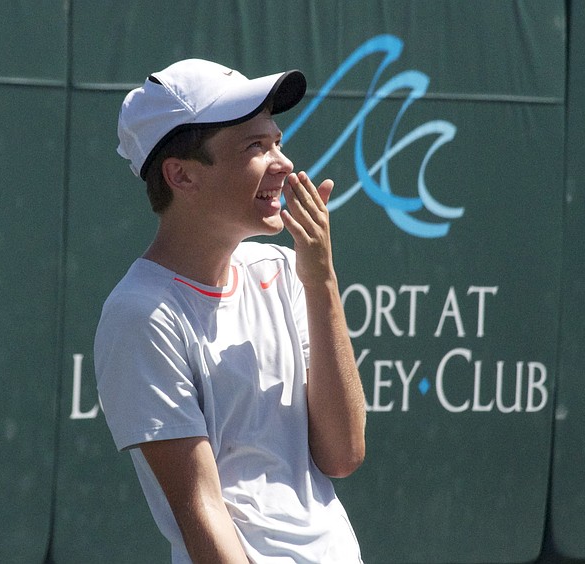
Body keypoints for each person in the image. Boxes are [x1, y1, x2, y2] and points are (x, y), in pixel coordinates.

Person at [94, 58, 367, 563]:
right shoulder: (141, 315)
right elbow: (200, 510)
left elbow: (344, 453)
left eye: (277, 142)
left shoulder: (287, 271)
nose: (282, 163)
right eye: (255, 147)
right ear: (181, 175)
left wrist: (321, 281)